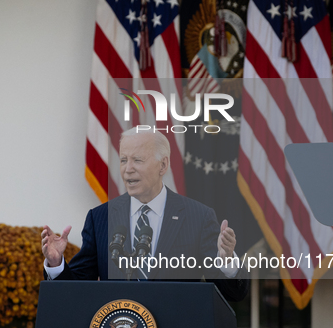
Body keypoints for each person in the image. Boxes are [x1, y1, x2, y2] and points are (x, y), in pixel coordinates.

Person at [42, 127, 249, 301]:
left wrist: (228, 262)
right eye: (123, 160)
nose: (128, 169)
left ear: (163, 165)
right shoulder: (100, 218)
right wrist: (56, 263)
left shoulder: (198, 217)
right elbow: (75, 290)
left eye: (138, 160)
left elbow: (234, 294)